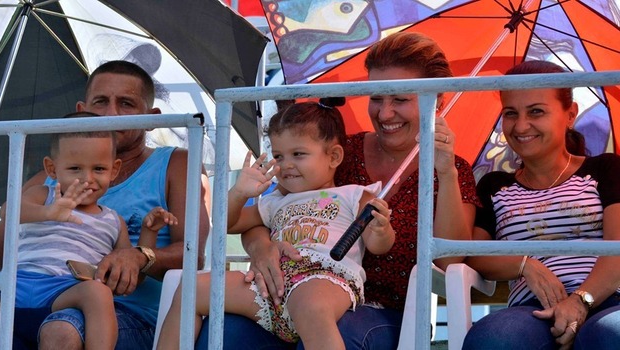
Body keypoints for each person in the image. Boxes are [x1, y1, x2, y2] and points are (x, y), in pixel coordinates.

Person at [197, 31, 480, 349]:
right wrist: (264, 250)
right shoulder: (337, 150)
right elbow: (268, 214)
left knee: (330, 327)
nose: (384, 113)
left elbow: (451, 259)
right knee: (222, 332)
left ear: (438, 101)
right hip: (295, 288)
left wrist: (445, 171)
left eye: (400, 99)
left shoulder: (452, 170)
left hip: (387, 313)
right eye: (376, 97)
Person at [0, 60, 212, 349]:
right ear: (82, 111)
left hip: (125, 314)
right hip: (25, 299)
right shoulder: (47, 180)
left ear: (151, 118)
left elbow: (193, 257)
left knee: (62, 330)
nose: (110, 114)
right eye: (100, 102)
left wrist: (141, 255)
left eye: (126, 104)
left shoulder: (177, 163)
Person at [160, 98, 395, 349]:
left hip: (323, 278)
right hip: (270, 286)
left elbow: (378, 245)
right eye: (278, 156)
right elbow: (228, 223)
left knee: (312, 308)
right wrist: (239, 193)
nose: (286, 165)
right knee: (192, 289)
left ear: (334, 156)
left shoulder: (355, 195)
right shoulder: (275, 201)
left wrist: (380, 229)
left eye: (298, 154)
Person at [462, 60, 620, 350]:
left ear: (569, 114)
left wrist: (580, 301)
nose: (521, 126)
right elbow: (474, 256)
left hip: (609, 300)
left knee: (613, 333)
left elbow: (618, 248)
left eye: (536, 111)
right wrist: (524, 265)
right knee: (492, 340)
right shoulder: (494, 185)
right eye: (511, 113)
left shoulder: (606, 169)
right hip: (530, 310)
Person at [0, 130, 176, 349]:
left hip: (63, 292)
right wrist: (50, 212)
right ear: (52, 169)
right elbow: (9, 211)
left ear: (114, 170)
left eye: (99, 169)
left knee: (98, 292)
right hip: (13, 287)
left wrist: (149, 233)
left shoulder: (113, 220)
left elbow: (130, 278)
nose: (87, 178)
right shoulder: (43, 195)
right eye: (75, 168)